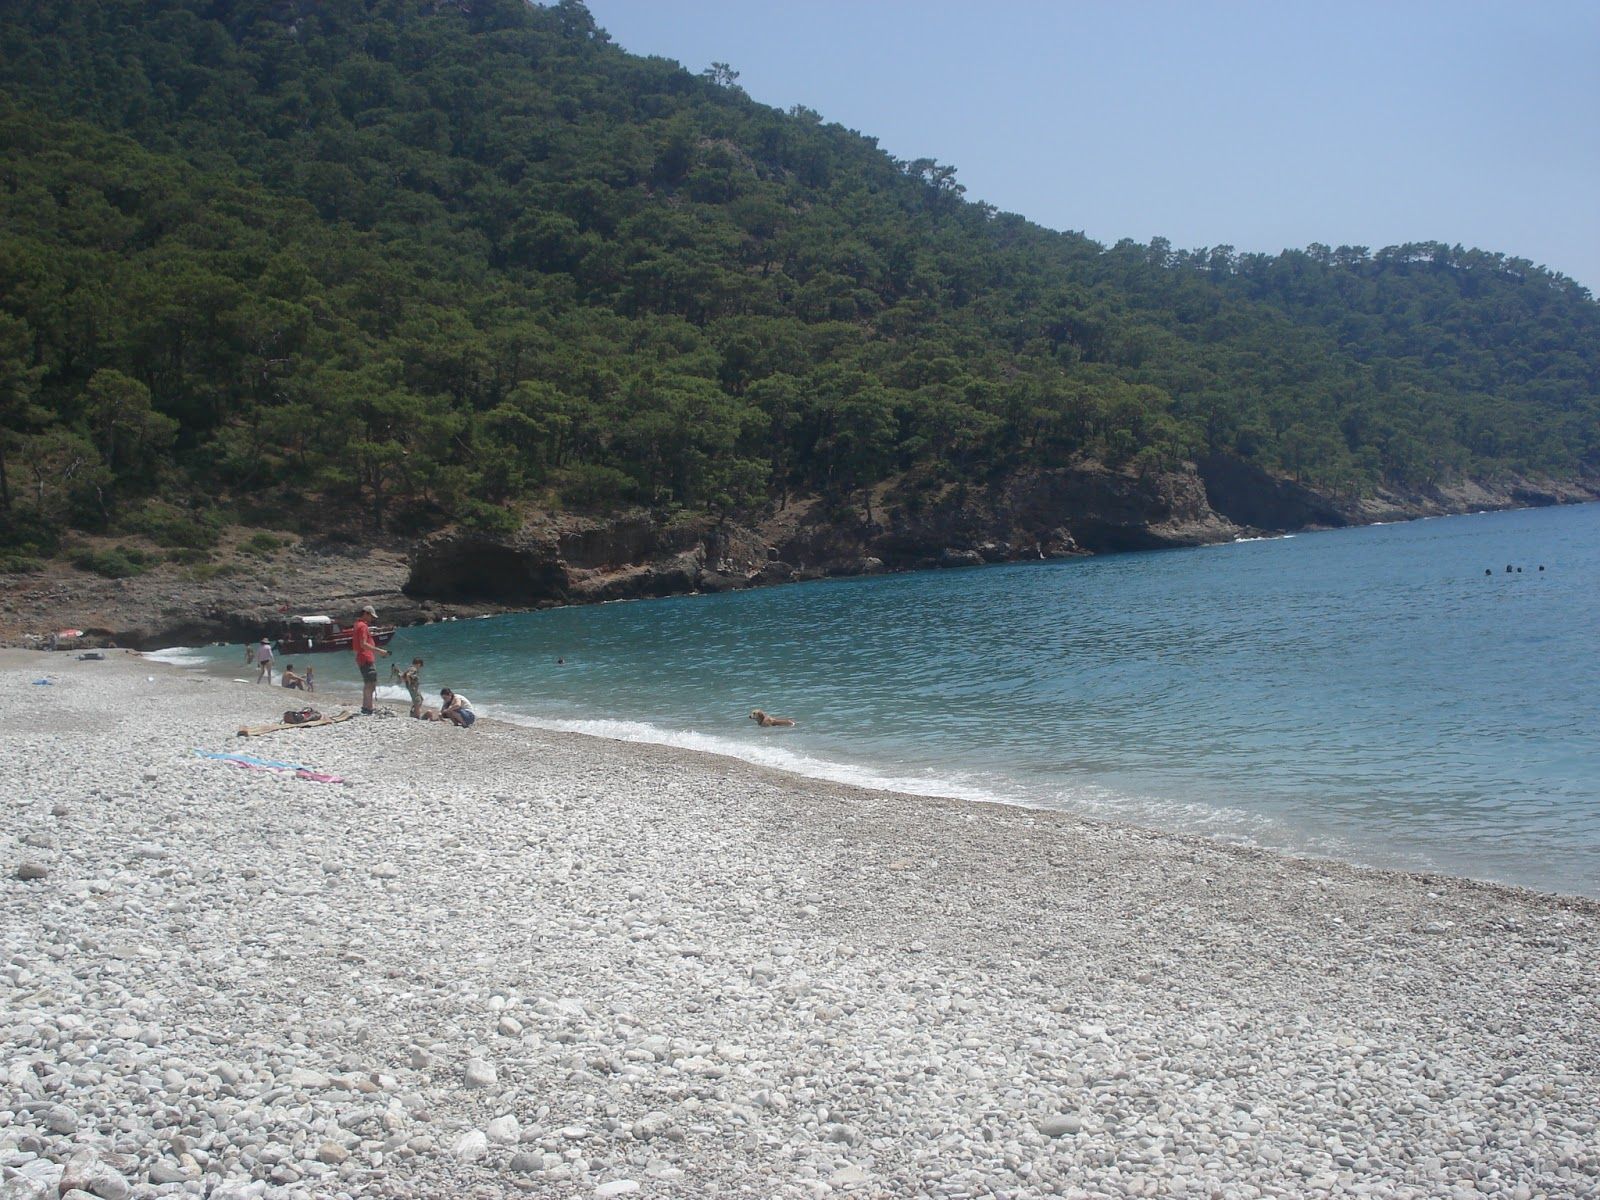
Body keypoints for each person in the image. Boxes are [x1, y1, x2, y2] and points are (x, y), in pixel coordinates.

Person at [352, 604, 390, 714]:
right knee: (371, 683)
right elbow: (363, 644)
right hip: (365, 657)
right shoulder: (363, 626)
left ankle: (366, 706)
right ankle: (368, 707)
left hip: (361, 657)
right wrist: (380, 651)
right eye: (371, 616)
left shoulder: (357, 624)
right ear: (365, 614)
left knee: (368, 683)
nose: (372, 619)